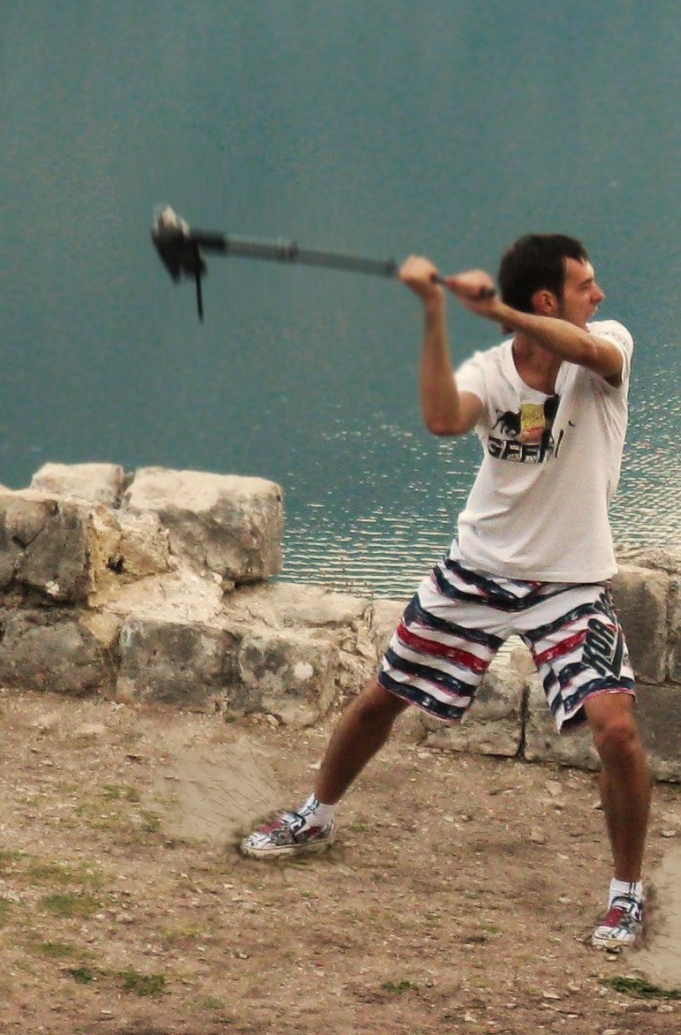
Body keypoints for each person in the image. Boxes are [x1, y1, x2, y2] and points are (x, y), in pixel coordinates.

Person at [241, 233, 651, 952]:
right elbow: (441, 419)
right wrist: (434, 310)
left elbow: (588, 350)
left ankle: (627, 893)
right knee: (383, 697)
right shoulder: (490, 372)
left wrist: (502, 311)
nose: (601, 295)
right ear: (550, 297)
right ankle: (316, 813)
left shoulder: (606, 346)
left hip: (570, 582)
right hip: (478, 569)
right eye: (586, 285)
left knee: (615, 728)